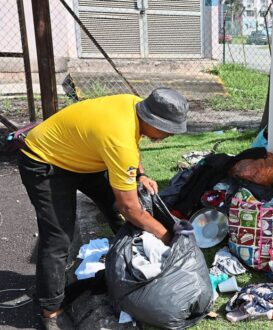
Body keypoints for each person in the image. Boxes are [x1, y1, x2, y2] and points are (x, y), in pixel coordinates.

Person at [18, 88, 190, 329]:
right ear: (152, 119)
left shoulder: (134, 106)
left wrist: (141, 174)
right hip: (44, 160)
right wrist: (165, 234)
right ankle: (51, 310)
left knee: (121, 217)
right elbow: (128, 206)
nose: (169, 136)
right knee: (58, 238)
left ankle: (131, 270)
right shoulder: (119, 139)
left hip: (83, 157)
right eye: (168, 130)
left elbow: (131, 145)